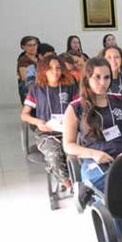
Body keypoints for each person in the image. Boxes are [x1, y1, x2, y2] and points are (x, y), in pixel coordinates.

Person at [63, 58, 122, 216]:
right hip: (96, 160)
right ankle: (117, 239)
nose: (102, 82)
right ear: (87, 79)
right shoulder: (75, 108)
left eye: (106, 77)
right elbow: (68, 145)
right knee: (114, 194)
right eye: (97, 77)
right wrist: (94, 154)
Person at [20, 55, 79, 188]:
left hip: (69, 131)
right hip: (46, 133)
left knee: (75, 154)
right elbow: (24, 115)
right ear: (43, 70)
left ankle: (79, 181)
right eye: (50, 68)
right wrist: (38, 122)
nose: (55, 71)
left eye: (58, 68)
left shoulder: (70, 87)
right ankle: (69, 186)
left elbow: (79, 108)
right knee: (54, 156)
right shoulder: (36, 89)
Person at [17, 36, 39, 104]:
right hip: (28, 89)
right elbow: (24, 77)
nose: (33, 47)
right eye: (29, 45)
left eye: (34, 45)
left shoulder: (39, 58)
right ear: (23, 47)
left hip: (39, 88)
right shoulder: (23, 60)